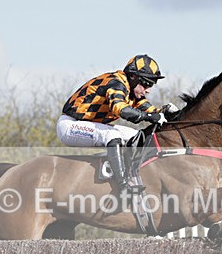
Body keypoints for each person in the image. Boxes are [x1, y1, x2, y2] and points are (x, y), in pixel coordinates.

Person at [57, 54, 177, 192]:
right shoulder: (116, 83)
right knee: (112, 136)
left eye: (151, 85)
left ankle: (131, 173)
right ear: (133, 77)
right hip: (70, 125)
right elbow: (120, 109)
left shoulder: (131, 90)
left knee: (136, 136)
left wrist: (165, 112)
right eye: (146, 84)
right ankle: (122, 186)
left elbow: (149, 110)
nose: (148, 90)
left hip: (89, 124)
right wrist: (149, 116)